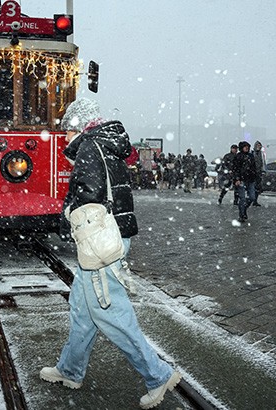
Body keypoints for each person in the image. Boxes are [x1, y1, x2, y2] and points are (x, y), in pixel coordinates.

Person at [40, 98, 182, 409]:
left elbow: (89, 196)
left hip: (101, 242)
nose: (64, 137)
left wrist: (66, 215)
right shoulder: (107, 143)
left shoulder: (90, 147)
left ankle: (157, 376)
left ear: (78, 127)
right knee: (82, 308)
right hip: (113, 234)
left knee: (110, 313)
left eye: (66, 130)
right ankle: (70, 370)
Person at [231, 141, 256, 222]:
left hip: (250, 179)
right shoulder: (238, 157)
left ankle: (244, 209)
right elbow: (235, 169)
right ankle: (241, 215)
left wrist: (255, 176)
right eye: (245, 147)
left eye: (247, 146)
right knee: (242, 198)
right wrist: (237, 179)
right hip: (241, 180)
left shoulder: (251, 156)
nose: (247, 148)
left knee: (252, 197)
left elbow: (254, 167)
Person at [251, 141, 267, 206]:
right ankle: (251, 199)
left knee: (257, 187)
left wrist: (265, 171)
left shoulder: (262, 154)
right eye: (257, 145)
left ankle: (255, 200)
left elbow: (264, 163)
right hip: (252, 173)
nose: (258, 146)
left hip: (259, 173)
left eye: (259, 145)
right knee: (252, 187)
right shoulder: (251, 153)